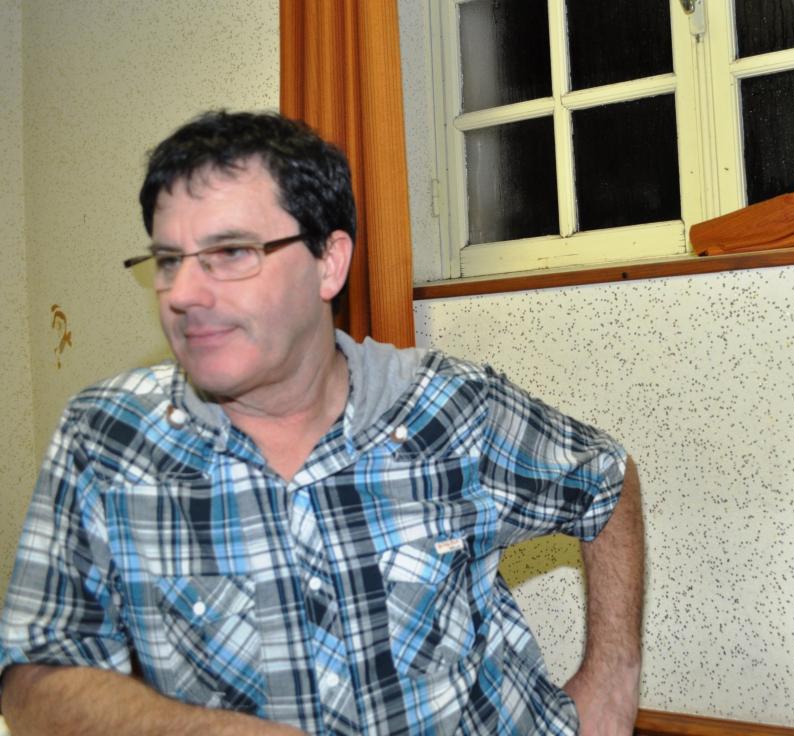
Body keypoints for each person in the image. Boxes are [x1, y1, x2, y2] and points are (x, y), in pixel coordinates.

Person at [0, 110, 644, 736]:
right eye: (169, 260)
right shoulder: (108, 440)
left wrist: (613, 681)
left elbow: (606, 481)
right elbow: (33, 679)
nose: (184, 294)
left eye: (230, 252)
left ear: (329, 263)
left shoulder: (453, 409)